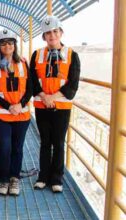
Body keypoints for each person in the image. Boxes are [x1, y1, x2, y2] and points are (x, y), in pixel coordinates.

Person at [30, 15, 80, 193]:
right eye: (47, 33)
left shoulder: (72, 55)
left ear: (61, 33)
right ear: (43, 36)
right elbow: (33, 81)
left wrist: (53, 97)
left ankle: (57, 179)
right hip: (42, 106)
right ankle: (43, 177)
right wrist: (44, 97)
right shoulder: (37, 55)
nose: (52, 35)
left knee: (58, 142)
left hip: (62, 107)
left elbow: (73, 83)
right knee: (45, 142)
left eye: (55, 31)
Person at [0, 29, 32, 196]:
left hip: (22, 115)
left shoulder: (24, 63)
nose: (7, 46)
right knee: (4, 148)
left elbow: (31, 88)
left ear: (15, 45)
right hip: (1, 116)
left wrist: (21, 104)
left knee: (17, 148)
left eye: (10, 42)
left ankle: (14, 179)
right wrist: (8, 106)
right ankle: (4, 180)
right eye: (3, 43)